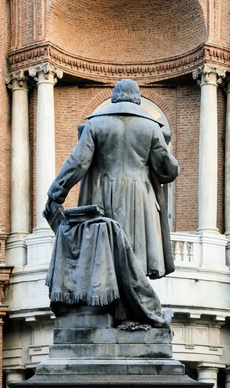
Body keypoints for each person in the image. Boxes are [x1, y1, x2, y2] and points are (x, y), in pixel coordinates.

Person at [43, 79, 178, 327]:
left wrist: (56, 193)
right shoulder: (150, 126)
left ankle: (113, 311)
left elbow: (77, 163)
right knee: (134, 254)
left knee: (106, 254)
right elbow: (168, 170)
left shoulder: (96, 124)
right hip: (140, 197)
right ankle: (130, 314)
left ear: (114, 98)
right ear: (137, 99)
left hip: (103, 193)